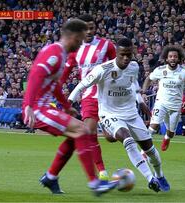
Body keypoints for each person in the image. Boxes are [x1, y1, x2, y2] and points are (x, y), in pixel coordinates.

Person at [22, 19, 116, 196]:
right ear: (72, 36)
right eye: (80, 40)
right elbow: (35, 75)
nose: (81, 44)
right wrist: (27, 105)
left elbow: (55, 84)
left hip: (43, 107)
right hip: (37, 109)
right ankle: (95, 183)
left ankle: (50, 177)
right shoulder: (54, 53)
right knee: (81, 130)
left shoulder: (61, 54)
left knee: (76, 135)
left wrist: (66, 106)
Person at [69, 38, 170, 192]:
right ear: (116, 53)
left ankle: (159, 175)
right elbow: (81, 85)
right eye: (122, 55)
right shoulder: (103, 70)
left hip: (131, 113)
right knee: (127, 139)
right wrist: (69, 102)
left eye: (129, 55)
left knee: (150, 150)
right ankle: (151, 178)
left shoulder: (134, 67)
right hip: (109, 113)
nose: (126, 58)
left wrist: (141, 102)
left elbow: (133, 84)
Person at [50, 14, 117, 182]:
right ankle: (101, 170)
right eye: (85, 28)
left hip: (107, 94)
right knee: (89, 132)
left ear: (95, 28)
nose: (88, 31)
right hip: (88, 95)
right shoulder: (76, 50)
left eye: (91, 28)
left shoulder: (106, 45)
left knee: (110, 137)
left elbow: (119, 65)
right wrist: (55, 89)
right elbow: (65, 73)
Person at [141, 45, 185, 151]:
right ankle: (143, 151)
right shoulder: (160, 70)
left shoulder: (184, 71)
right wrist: (143, 93)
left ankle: (167, 138)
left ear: (179, 58)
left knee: (171, 132)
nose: (173, 58)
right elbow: (148, 79)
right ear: (166, 58)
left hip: (175, 105)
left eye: (175, 56)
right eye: (170, 56)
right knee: (153, 126)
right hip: (161, 102)